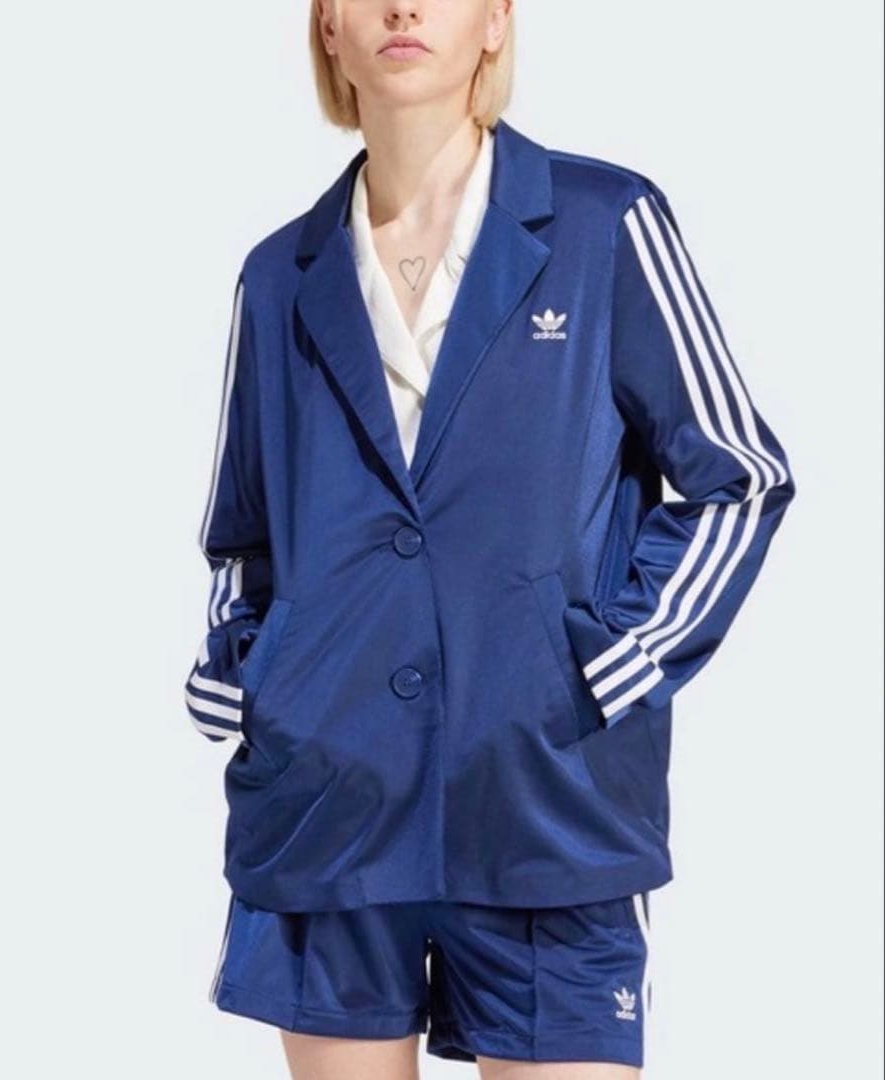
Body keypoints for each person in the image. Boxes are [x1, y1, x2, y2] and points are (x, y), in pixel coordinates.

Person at [184, 2, 796, 1076]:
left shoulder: (604, 225)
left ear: (496, 21)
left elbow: (738, 477)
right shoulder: (278, 276)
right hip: (329, 803)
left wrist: (619, 658)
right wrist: (254, 676)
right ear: (328, 29)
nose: (403, 7)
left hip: (545, 799)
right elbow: (245, 535)